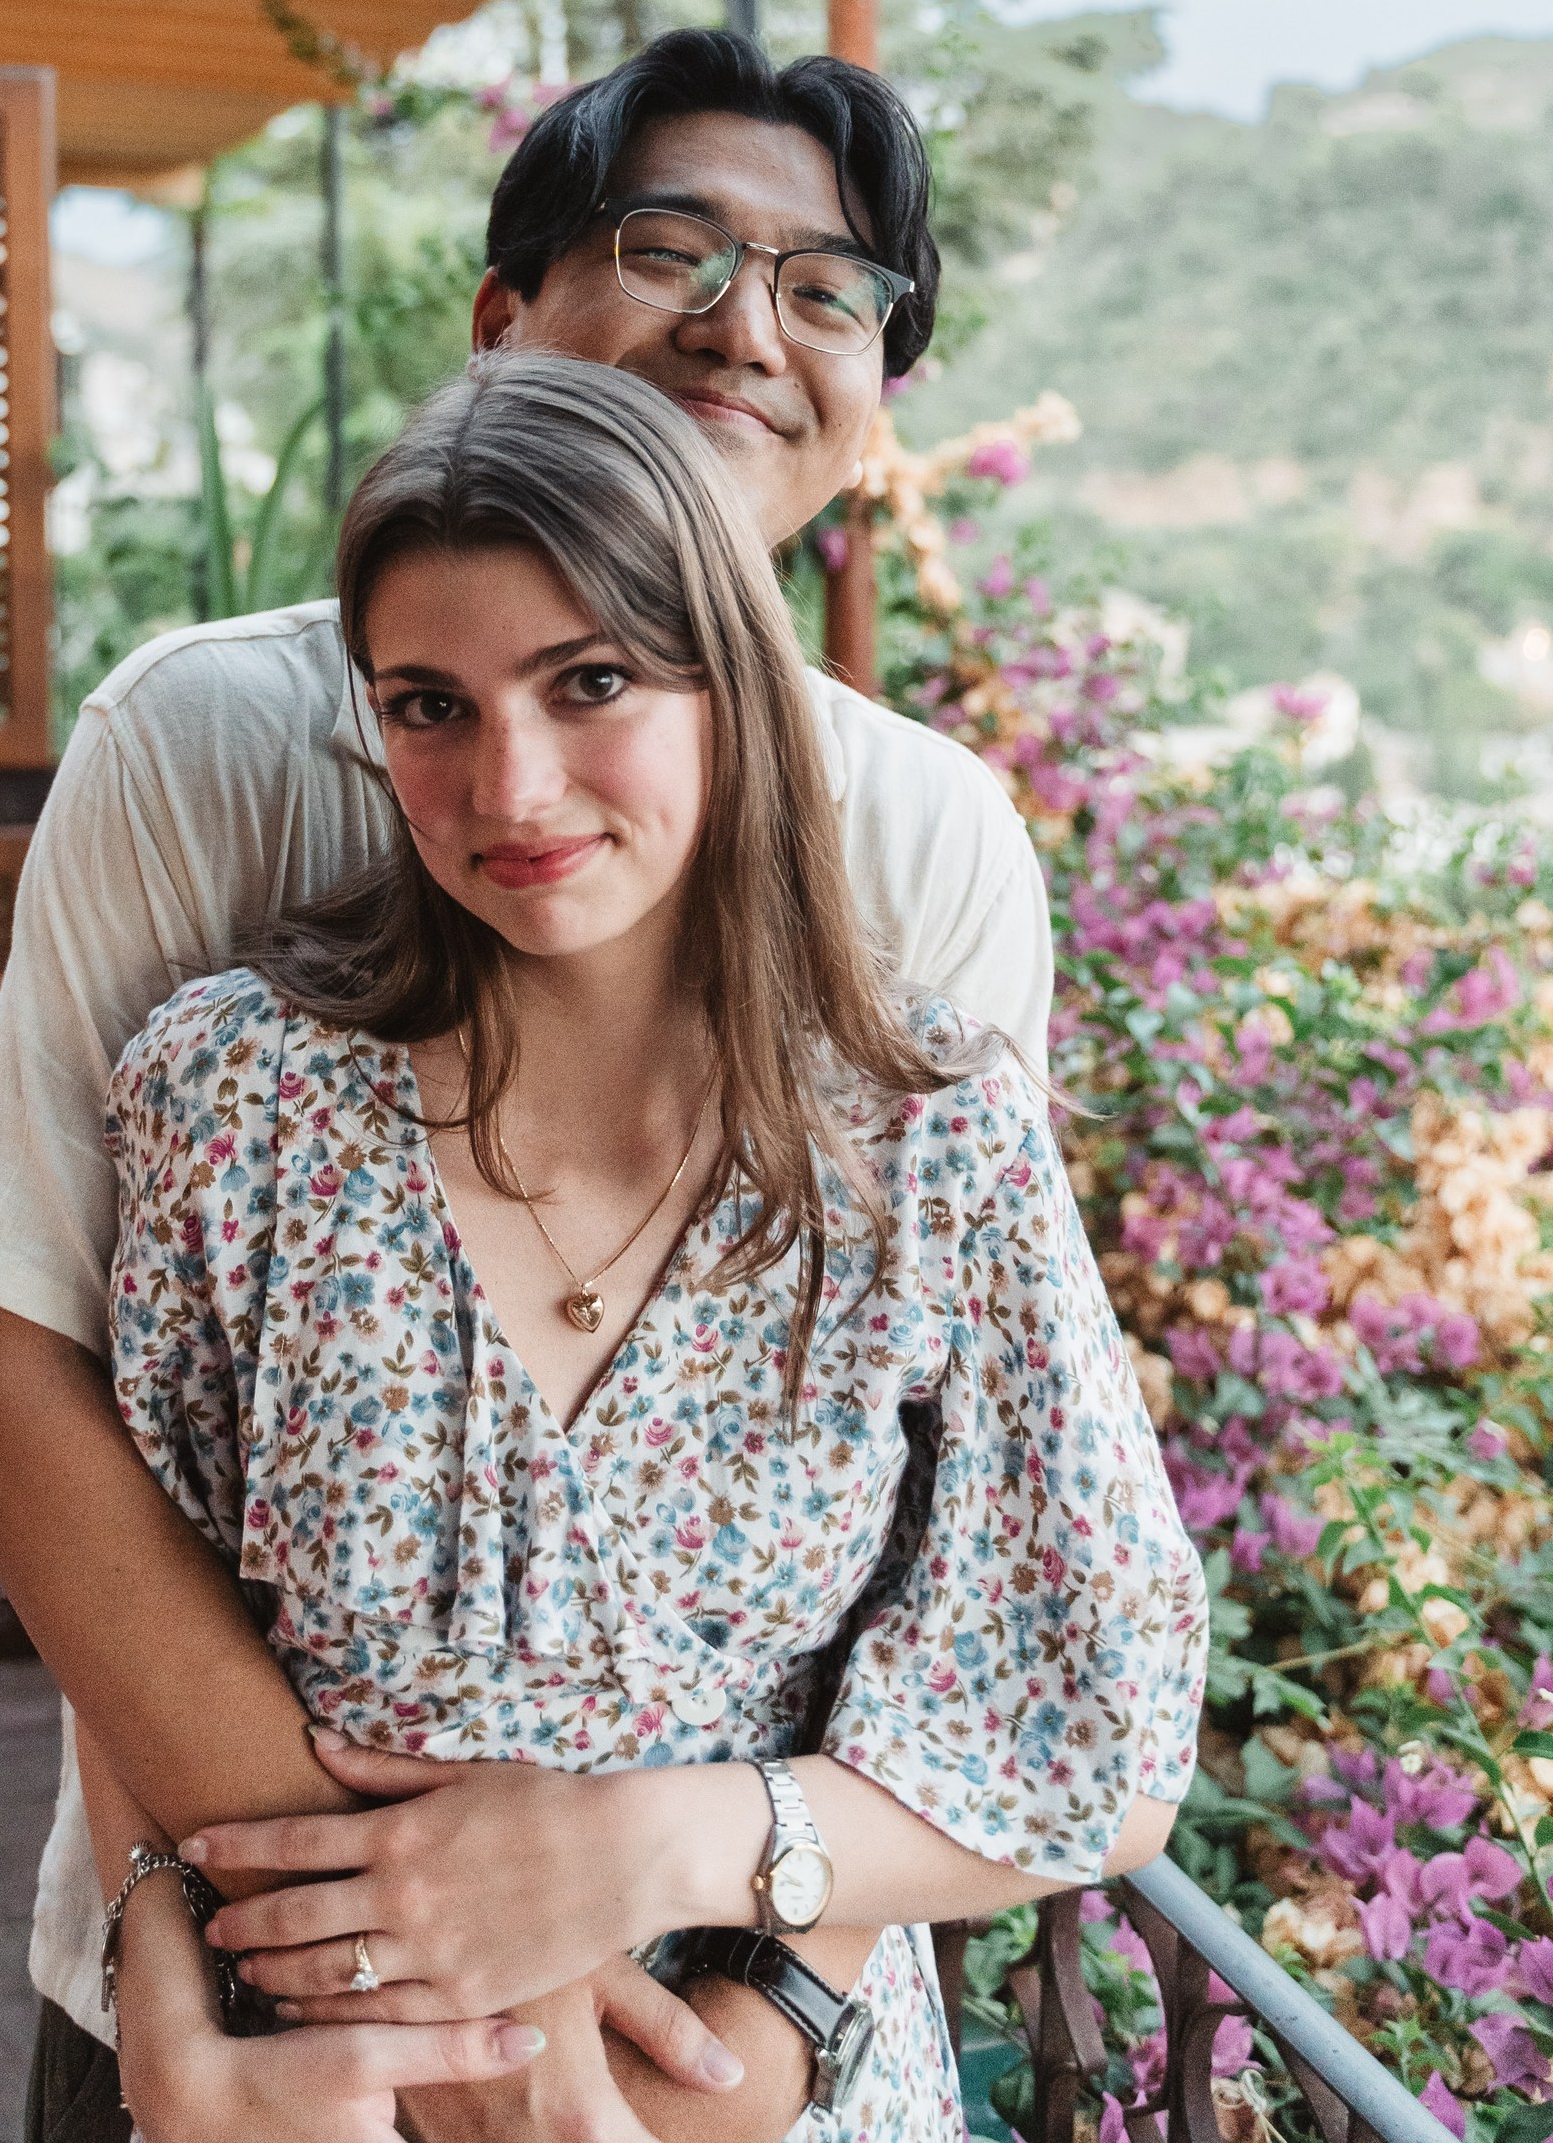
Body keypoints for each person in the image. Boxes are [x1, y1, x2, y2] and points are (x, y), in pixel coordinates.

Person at [0, 29, 1059, 2143]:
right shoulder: (211, 753)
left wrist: (765, 2028)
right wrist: (429, 2008)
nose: (746, 329)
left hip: (738, 2051)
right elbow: (31, 1396)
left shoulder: (933, 856)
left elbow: (974, 1552)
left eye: (827, 290)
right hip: (246, 2028)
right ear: (504, 321)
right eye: (673, 248)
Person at [87, 355, 1208, 2143]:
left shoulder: (925, 1140)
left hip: (792, 2100)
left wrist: (662, 1848)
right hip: (321, 2102)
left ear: (730, 691)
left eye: (590, 681)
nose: (510, 784)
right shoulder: (236, 1101)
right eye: (430, 706)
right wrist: (159, 1973)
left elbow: (1105, 1743)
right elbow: (130, 1589)